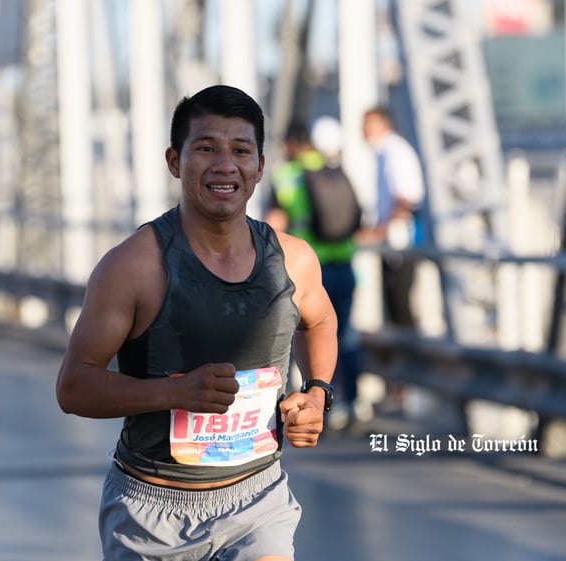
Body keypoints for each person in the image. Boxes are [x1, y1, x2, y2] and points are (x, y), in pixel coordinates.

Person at [56, 84, 338, 561]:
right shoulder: (133, 267)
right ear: (174, 161)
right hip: (151, 511)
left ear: (260, 166)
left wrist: (317, 392)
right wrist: (173, 393)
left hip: (257, 497)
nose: (224, 164)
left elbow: (321, 320)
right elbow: (74, 387)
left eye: (240, 150)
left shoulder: (294, 259)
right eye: (205, 148)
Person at [265, 118, 364, 432]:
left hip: (306, 273)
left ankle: (303, 401)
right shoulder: (337, 170)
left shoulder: (289, 175)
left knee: (299, 336)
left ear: (293, 143)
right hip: (345, 266)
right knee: (344, 335)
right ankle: (351, 404)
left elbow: (273, 223)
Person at [359, 105, 426, 330]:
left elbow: (406, 199)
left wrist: (380, 230)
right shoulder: (384, 153)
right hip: (392, 237)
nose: (362, 130)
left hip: (402, 238)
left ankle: (411, 356)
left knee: (400, 298)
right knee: (393, 298)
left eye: (366, 124)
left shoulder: (395, 152)